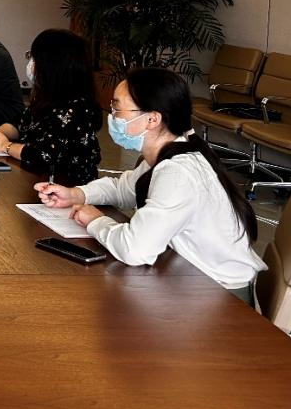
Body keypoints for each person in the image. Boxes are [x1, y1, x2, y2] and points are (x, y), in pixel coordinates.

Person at [35, 67, 265, 304]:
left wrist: (96, 221)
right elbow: (123, 189)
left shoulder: (178, 172)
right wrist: (76, 194)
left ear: (152, 119)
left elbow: (135, 249)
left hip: (221, 296)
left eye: (117, 109)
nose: (112, 116)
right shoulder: (169, 154)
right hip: (190, 277)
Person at [0, 28, 100, 184]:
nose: (31, 64)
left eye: (34, 58)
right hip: (36, 179)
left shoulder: (76, 108)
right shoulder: (47, 96)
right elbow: (20, 124)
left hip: (67, 187)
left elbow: (43, 155)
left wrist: (6, 146)